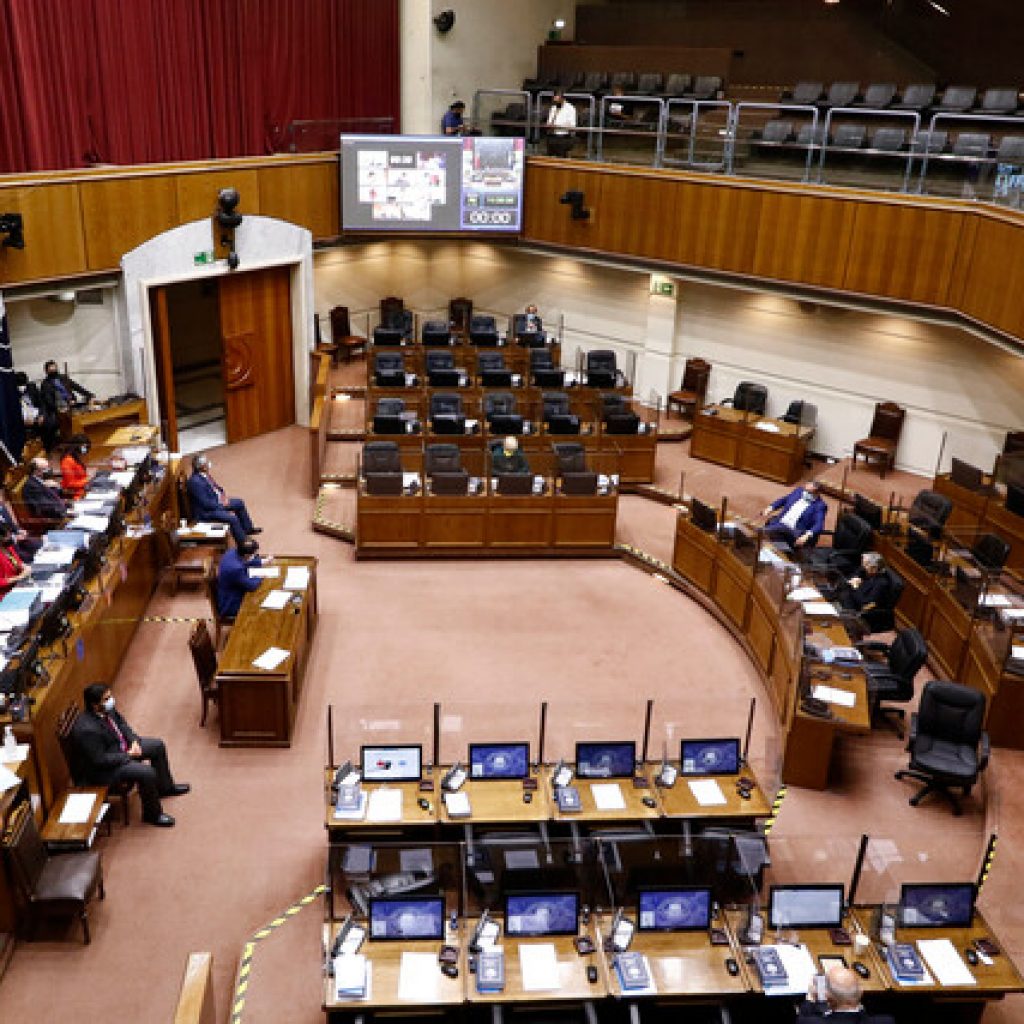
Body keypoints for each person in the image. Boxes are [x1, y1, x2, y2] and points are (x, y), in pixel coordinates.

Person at [71, 683, 189, 828]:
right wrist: (127, 755)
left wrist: (133, 741)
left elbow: (122, 725)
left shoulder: (107, 709)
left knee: (157, 746)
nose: (111, 701)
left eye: (110, 696)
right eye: (106, 699)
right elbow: (99, 760)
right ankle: (152, 815)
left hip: (122, 748)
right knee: (146, 773)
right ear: (95, 705)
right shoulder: (87, 730)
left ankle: (164, 788)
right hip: (106, 769)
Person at [186, 453, 261, 546]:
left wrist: (223, 496)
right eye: (206, 463)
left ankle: (248, 529)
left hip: (217, 501)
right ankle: (244, 545)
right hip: (207, 512)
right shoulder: (195, 482)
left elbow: (217, 487)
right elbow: (206, 504)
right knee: (232, 519)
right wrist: (222, 505)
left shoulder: (204, 474)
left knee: (239, 503)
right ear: (202, 467)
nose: (209, 464)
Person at [798, 965, 894, 1022]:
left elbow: (803, 1017)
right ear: (861, 992)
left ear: (828, 998)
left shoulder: (810, 1021)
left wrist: (810, 998)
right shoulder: (887, 1021)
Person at [761, 480, 827, 549]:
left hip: (794, 531)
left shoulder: (820, 506)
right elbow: (784, 499)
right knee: (769, 534)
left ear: (818, 493)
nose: (805, 493)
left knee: (767, 533)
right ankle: (783, 551)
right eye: (805, 490)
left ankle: (783, 552)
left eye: (809, 492)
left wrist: (806, 535)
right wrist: (770, 508)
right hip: (780, 522)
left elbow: (819, 524)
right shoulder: (798, 491)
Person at [216, 537, 270, 618]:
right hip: (231, 604)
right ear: (246, 555)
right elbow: (252, 586)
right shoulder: (235, 569)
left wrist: (261, 562)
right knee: (264, 601)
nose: (255, 556)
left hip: (230, 592)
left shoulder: (232, 552)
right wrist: (261, 575)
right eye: (254, 555)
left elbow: (245, 561)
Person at [0, 483, 41, 562]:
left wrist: (19, 530)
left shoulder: (2, 508)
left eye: (1, 494)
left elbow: (12, 525)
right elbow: (3, 539)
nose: (1, 498)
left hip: (16, 541)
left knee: (39, 545)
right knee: (30, 558)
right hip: (6, 548)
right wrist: (15, 538)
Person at [22, 456, 69, 521]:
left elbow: (57, 495)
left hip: (62, 511)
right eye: (45, 469)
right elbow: (46, 507)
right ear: (36, 471)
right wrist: (66, 513)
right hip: (54, 519)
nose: (48, 470)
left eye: (48, 467)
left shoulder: (42, 479)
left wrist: (57, 486)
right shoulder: (31, 487)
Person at [0, 523, 30, 593]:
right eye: (7, 536)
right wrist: (19, 577)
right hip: (6, 592)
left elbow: (18, 562)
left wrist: (24, 566)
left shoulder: (8, 547)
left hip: (19, 584)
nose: (11, 537)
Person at [60, 433, 92, 499]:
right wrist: (87, 480)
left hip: (84, 489)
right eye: (84, 448)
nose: (85, 450)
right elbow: (70, 484)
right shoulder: (67, 461)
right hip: (76, 494)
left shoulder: (76, 457)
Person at [545, 92, 577, 157]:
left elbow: (572, 125)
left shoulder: (570, 108)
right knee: (549, 155)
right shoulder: (553, 108)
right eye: (555, 101)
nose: (555, 103)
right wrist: (548, 125)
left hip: (563, 137)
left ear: (562, 99)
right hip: (551, 135)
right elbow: (549, 121)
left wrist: (558, 126)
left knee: (560, 154)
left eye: (557, 101)